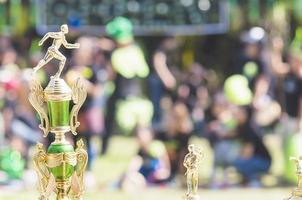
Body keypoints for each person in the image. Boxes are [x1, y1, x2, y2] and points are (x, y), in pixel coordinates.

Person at [102, 17, 150, 154]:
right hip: (141, 99)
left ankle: (104, 150)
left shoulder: (116, 54)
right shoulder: (137, 51)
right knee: (141, 129)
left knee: (135, 130)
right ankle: (145, 152)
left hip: (123, 101)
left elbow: (109, 76)